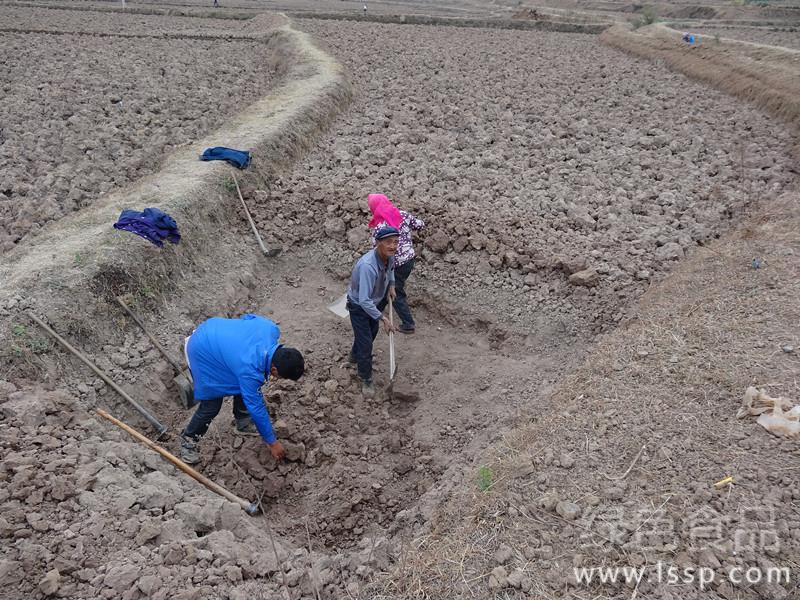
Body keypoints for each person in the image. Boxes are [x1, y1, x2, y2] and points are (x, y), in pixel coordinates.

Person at [179, 314, 304, 465]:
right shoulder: (249, 370)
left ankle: (243, 422)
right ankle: (188, 440)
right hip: (201, 350)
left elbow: (248, 317)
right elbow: (256, 406)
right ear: (275, 369)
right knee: (212, 404)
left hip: (214, 329)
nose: (278, 379)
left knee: (242, 384)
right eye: (281, 377)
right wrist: (272, 442)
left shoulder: (271, 329)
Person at [347, 226, 399, 398]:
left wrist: (391, 285)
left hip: (375, 301)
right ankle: (365, 377)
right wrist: (383, 318)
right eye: (388, 242)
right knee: (366, 343)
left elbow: (391, 271)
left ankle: (354, 355)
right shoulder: (368, 266)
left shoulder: (388, 257)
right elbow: (363, 300)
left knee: (370, 333)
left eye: (395, 242)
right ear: (377, 243)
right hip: (359, 306)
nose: (393, 246)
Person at [367, 193, 425, 334]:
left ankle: (408, 324)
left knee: (395, 290)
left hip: (395, 264)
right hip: (409, 259)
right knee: (393, 286)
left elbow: (377, 249)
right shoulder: (402, 214)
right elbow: (420, 225)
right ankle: (378, 309)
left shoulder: (380, 226)